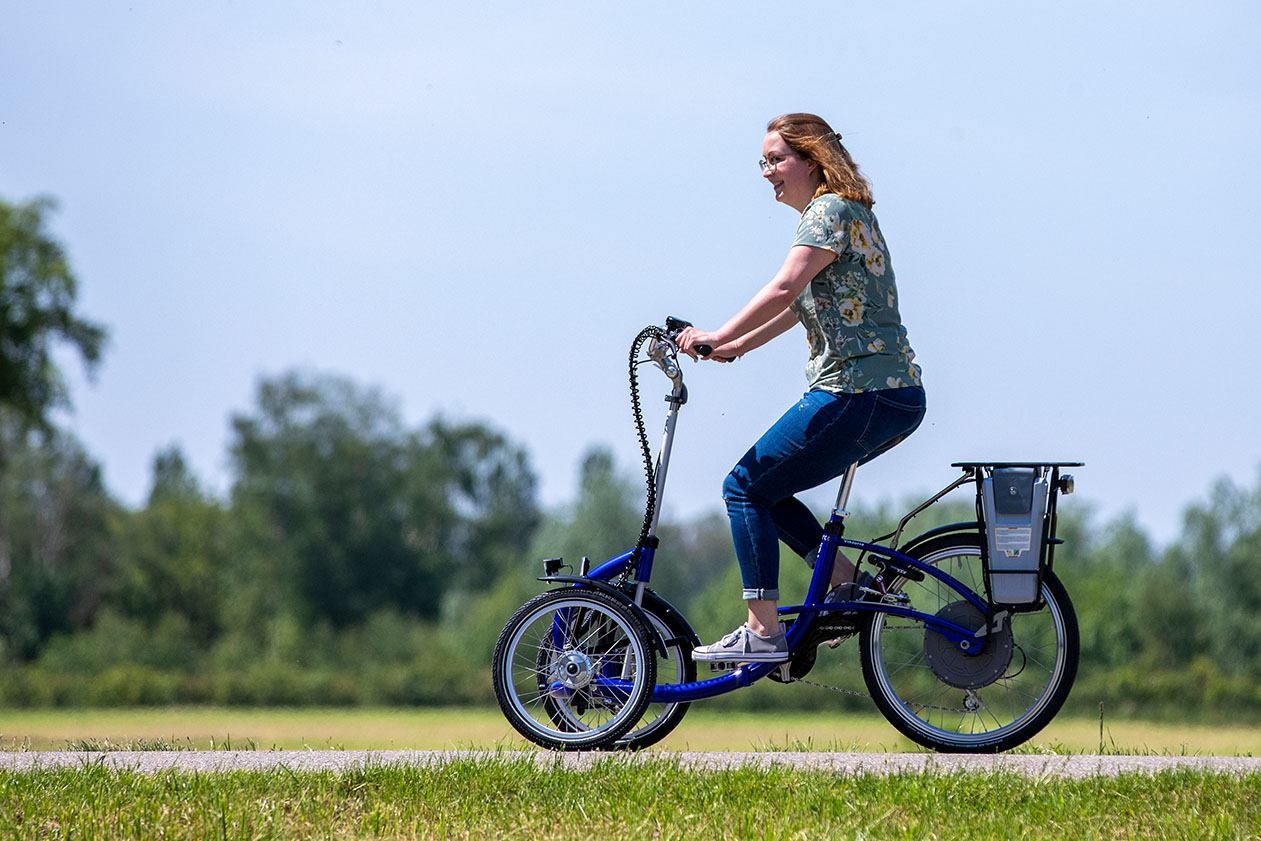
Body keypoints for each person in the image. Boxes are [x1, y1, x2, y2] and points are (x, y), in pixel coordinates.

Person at [678, 113, 926, 664]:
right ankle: (851, 585)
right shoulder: (852, 213)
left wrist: (717, 331)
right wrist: (736, 347)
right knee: (771, 492)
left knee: (743, 487)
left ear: (812, 161)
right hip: (890, 393)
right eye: (762, 162)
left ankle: (761, 630)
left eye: (776, 160)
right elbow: (800, 305)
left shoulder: (829, 211)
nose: (767, 172)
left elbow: (787, 285)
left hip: (855, 390)